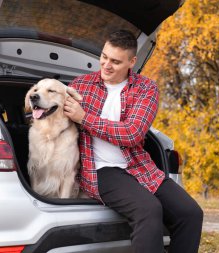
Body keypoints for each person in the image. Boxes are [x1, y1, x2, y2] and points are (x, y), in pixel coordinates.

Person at [64, 30, 203, 253]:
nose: (106, 65)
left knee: (191, 213)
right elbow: (54, 119)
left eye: (116, 61)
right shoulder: (80, 86)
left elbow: (132, 134)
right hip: (99, 169)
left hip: (138, 166)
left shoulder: (146, 89)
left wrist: (84, 118)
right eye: (104, 57)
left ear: (132, 62)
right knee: (148, 209)